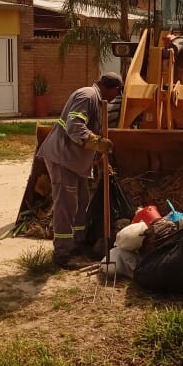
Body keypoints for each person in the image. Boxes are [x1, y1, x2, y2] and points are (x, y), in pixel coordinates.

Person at [37, 72, 123, 270]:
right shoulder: (87, 95)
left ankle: (77, 243)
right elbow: (75, 127)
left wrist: (98, 159)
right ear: (113, 88)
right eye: (117, 93)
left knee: (81, 201)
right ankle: (63, 253)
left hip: (75, 163)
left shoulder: (97, 100)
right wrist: (97, 143)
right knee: (66, 205)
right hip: (63, 159)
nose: (115, 98)